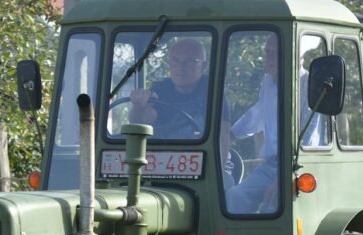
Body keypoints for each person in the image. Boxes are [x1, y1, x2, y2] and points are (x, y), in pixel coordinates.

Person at [226, 36, 326, 213]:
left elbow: (309, 136)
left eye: (277, 53)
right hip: (270, 165)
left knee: (273, 207)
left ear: (297, 55)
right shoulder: (268, 82)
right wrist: (230, 135)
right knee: (235, 197)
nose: (270, 58)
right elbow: (259, 114)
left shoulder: (309, 85)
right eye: (268, 52)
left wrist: (285, 178)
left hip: (299, 167)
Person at [129, 39, 210, 139]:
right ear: (169, 65)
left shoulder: (212, 90)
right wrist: (139, 106)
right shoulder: (160, 89)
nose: (181, 67)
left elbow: (222, 132)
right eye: (175, 61)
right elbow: (143, 121)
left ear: (204, 66)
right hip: (163, 151)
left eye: (190, 61)